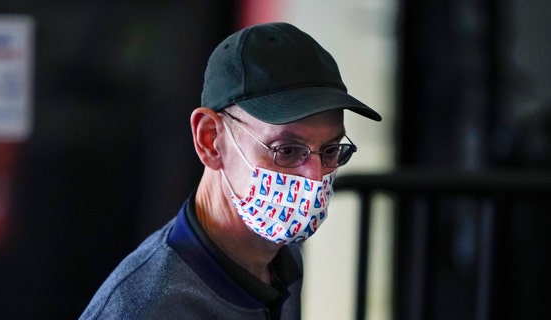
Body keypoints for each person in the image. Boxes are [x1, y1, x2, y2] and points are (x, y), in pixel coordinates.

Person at [79, 22, 381, 319]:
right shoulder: (149, 308)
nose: (315, 177)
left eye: (330, 150)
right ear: (210, 139)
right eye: (287, 150)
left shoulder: (283, 256)